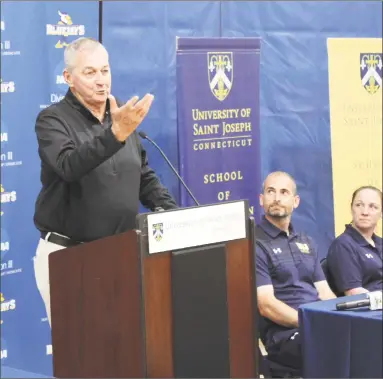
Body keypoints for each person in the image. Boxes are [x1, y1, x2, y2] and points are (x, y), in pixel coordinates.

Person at [33, 37, 177, 325]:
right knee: (82, 356)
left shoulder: (119, 114)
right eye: (90, 73)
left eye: (105, 70)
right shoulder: (52, 120)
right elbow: (69, 166)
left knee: (124, 353)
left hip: (122, 254)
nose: (101, 81)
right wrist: (115, 135)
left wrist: (171, 212)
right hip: (70, 257)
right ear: (68, 78)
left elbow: (142, 175)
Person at [255, 171, 335, 376]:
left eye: (284, 192)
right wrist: (312, 323)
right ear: (261, 200)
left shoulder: (307, 242)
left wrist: (342, 318)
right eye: (270, 192)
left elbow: (325, 293)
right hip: (284, 335)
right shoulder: (254, 243)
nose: (277, 198)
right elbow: (266, 305)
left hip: (317, 325)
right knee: (329, 343)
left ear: (296, 201)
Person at [327, 186, 382, 296]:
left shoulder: (380, 242)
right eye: (359, 205)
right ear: (351, 209)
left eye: (373, 207)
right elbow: (354, 293)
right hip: (366, 310)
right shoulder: (343, 245)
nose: (365, 212)